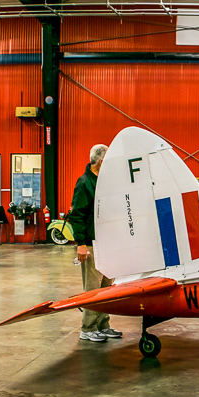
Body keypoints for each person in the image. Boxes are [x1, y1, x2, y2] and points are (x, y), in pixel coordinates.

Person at [67, 144, 121, 343]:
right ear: (101, 161)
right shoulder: (85, 183)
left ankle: (103, 324)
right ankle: (87, 328)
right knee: (93, 287)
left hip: (107, 242)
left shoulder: (104, 182)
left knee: (107, 286)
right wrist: (81, 243)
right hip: (91, 243)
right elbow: (77, 216)